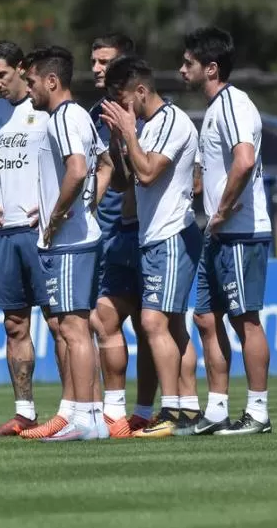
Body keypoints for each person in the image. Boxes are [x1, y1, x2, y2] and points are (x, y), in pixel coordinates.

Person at [100, 57, 202, 438]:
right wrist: (117, 138)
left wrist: (128, 132)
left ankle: (172, 412)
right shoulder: (145, 124)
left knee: (153, 322)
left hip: (172, 235)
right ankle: (186, 410)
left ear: (141, 91)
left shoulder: (172, 121)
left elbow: (147, 172)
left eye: (122, 99)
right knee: (171, 325)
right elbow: (125, 184)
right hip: (153, 238)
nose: (122, 108)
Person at [181, 26, 272, 435]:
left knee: (245, 320)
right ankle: (216, 409)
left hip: (240, 232)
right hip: (218, 234)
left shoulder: (234, 103)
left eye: (189, 64)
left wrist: (223, 208)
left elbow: (245, 160)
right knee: (204, 316)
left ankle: (258, 412)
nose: (182, 70)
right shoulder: (215, 109)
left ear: (211, 68)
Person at [23, 45, 111, 442]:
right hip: (78, 237)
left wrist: (59, 214)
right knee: (72, 327)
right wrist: (76, 204)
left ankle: (87, 419)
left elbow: (77, 170)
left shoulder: (62, 118)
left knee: (73, 329)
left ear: (51, 81)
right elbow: (104, 164)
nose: (29, 91)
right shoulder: (80, 116)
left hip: (70, 242)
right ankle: (85, 415)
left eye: (32, 82)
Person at [0, 41, 56, 437]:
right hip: (6, 232)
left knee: (61, 324)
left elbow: (81, 164)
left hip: (42, 234)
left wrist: (54, 205)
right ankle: (24, 413)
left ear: (21, 69)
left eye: (2, 75)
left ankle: (77, 411)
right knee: (14, 325)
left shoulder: (46, 109)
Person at [88, 33, 159, 437]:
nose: (98, 69)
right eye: (95, 62)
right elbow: (112, 177)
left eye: (106, 62)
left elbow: (141, 175)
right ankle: (114, 416)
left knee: (153, 326)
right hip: (111, 235)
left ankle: (148, 411)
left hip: (147, 233)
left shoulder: (153, 114)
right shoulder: (96, 112)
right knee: (104, 318)